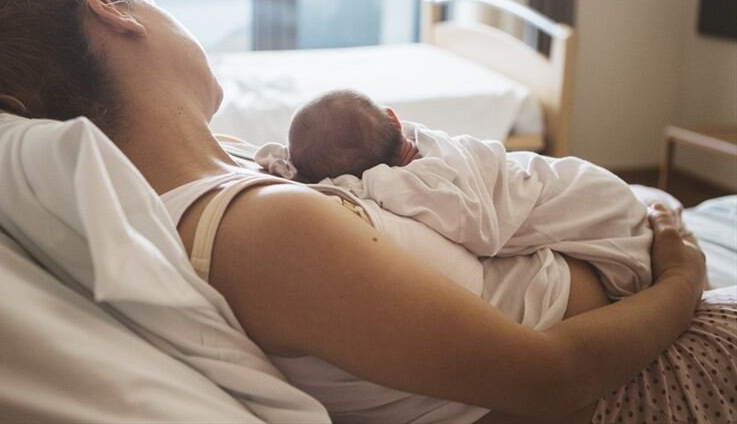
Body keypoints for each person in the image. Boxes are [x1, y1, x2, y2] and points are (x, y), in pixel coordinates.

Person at [0, 0, 736, 424]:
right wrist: (681, 277)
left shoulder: (233, 169)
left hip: (629, 321)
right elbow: (550, 380)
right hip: (639, 373)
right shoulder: (264, 230)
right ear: (112, 11)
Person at [260, 89, 654, 301]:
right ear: (393, 117)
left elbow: (480, 231)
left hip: (589, 199)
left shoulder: (418, 177)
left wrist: (353, 180)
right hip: (584, 181)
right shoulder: (407, 148)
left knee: (625, 256)